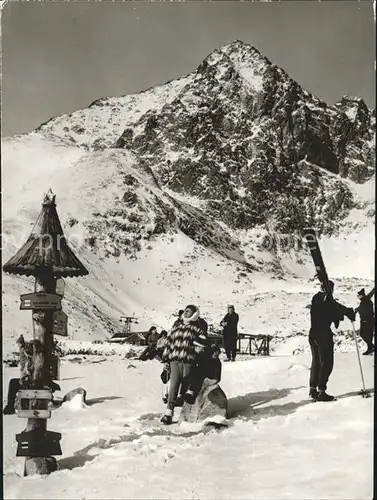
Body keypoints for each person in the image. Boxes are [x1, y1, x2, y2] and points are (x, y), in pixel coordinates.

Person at [160, 304, 208, 425]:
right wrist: (166, 360)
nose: (186, 313)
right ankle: (168, 414)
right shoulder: (176, 328)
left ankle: (186, 415)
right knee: (173, 387)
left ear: (194, 314)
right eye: (185, 311)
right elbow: (169, 344)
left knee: (186, 389)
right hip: (174, 361)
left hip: (188, 361)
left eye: (189, 311)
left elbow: (203, 342)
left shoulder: (196, 329)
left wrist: (196, 346)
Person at [309, 281, 355, 402]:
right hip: (323, 335)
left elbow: (333, 308)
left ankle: (313, 389)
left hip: (313, 334)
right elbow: (335, 308)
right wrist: (348, 312)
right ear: (329, 289)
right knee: (327, 363)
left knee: (316, 362)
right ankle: (321, 391)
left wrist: (343, 312)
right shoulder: (326, 299)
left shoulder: (316, 298)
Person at [357, 288, 374, 355]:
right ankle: (370, 347)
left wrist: (365, 319)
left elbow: (368, 312)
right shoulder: (364, 301)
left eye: (358, 295)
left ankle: (370, 348)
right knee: (364, 334)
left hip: (367, 321)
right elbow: (360, 308)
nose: (358, 297)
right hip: (364, 320)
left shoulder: (366, 301)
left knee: (367, 335)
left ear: (362, 295)